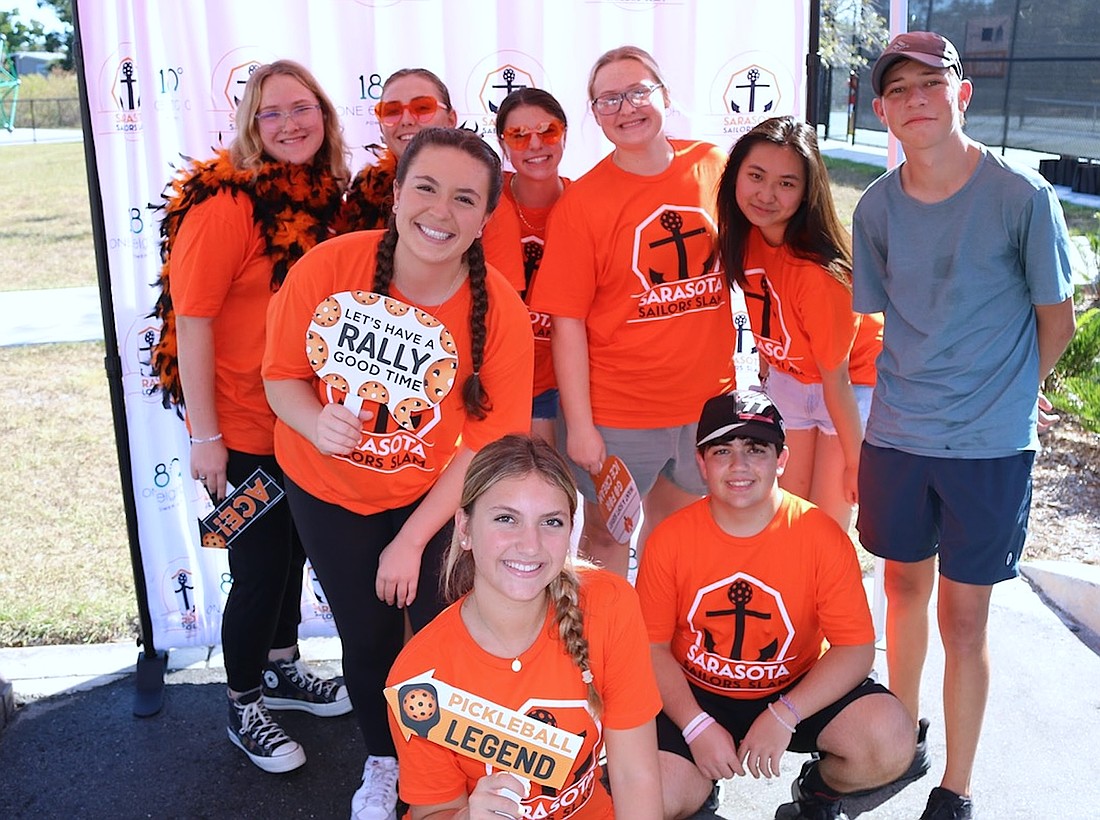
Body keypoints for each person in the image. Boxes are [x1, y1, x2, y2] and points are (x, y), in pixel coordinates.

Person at [262, 127, 533, 819]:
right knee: (369, 632)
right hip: (329, 492)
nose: (441, 211)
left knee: (445, 624)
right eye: (426, 187)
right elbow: (281, 377)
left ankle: (453, 763)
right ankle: (384, 760)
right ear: (397, 192)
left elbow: (487, 442)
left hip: (436, 493)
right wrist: (312, 420)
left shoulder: (497, 307)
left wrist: (413, 540)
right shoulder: (328, 269)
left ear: (484, 216)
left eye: (465, 198)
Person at [853, 31, 1077, 820]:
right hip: (899, 433)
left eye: (930, 85)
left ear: (962, 92)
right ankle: (900, 736)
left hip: (988, 446)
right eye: (899, 91)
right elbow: (891, 319)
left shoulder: (1021, 197)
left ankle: (958, 785)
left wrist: (1019, 390)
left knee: (966, 616)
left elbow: (1058, 321)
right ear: (880, 110)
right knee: (902, 586)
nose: (917, 101)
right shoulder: (877, 207)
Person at [148, 59, 352, 773]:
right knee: (259, 569)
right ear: (249, 126)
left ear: (324, 116)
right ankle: (242, 703)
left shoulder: (329, 199)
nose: (290, 124)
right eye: (271, 113)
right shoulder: (227, 204)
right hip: (242, 432)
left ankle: (280, 666)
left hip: (306, 425)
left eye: (302, 109)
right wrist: (206, 438)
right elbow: (192, 321)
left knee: (294, 558)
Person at [635, 390, 916, 820]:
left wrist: (786, 714)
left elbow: (855, 648)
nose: (739, 465)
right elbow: (650, 650)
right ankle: (697, 790)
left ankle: (818, 795)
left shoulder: (819, 535)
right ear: (701, 462)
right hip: (694, 692)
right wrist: (694, 725)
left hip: (792, 684)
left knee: (891, 739)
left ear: (781, 459)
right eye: (722, 450)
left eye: (756, 449)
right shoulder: (670, 540)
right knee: (646, 799)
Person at [528, 45, 736, 577]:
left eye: (638, 92)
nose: (626, 108)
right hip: (620, 414)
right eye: (608, 100)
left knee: (679, 538)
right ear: (594, 115)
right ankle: (607, 653)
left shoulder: (716, 168)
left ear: (665, 96)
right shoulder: (583, 203)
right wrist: (581, 425)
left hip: (703, 405)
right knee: (607, 535)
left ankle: (660, 650)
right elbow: (567, 323)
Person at [386, 434, 663, 819]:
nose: (530, 545)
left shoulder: (609, 604)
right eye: (506, 519)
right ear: (464, 529)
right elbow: (433, 810)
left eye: (551, 522)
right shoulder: (420, 676)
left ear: (570, 530)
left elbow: (635, 775)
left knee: (684, 780)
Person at [715, 115, 883, 533]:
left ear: (808, 192)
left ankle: (823, 599)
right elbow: (765, 314)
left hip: (848, 386)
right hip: (793, 378)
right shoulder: (744, 235)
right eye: (756, 175)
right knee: (786, 511)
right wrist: (766, 376)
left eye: (786, 183)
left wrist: (855, 461)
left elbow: (837, 378)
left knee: (826, 523)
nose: (766, 194)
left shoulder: (819, 273)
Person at [481, 88, 571, 446]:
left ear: (564, 134)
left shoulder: (587, 203)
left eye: (547, 131)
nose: (535, 144)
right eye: (518, 136)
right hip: (494, 377)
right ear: (503, 145)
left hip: (562, 381)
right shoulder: (482, 196)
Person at [339, 67, 458, 232]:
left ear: (451, 120)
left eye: (422, 108)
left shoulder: (482, 186)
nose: (406, 120)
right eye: (392, 111)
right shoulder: (362, 198)